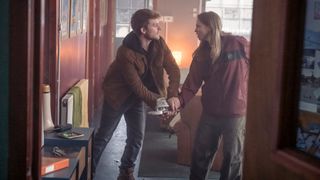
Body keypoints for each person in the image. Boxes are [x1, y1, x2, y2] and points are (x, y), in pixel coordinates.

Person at [93, 9, 180, 180]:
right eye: (155, 25)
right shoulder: (125, 52)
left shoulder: (160, 44)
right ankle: (87, 172)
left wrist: (172, 95)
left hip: (139, 98)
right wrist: (162, 103)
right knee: (103, 137)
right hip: (117, 97)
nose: (159, 29)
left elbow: (174, 70)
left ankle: (126, 172)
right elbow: (137, 87)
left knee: (136, 137)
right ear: (143, 29)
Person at [167, 11, 250, 180]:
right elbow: (191, 84)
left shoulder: (238, 43)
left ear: (210, 26)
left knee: (233, 158)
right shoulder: (201, 54)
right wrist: (178, 101)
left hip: (235, 113)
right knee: (200, 155)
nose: (195, 30)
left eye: (198, 26)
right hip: (210, 113)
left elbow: (261, 63)